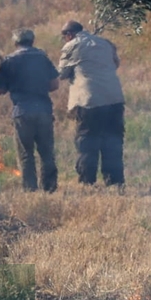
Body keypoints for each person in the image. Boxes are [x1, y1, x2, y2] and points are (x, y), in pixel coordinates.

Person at [57, 20, 125, 187]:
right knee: (113, 142)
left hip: (89, 101)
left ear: (69, 34)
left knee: (87, 142)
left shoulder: (71, 45)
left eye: (64, 36)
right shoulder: (105, 43)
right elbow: (115, 64)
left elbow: (62, 74)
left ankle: (87, 184)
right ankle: (115, 183)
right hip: (114, 99)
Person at [0, 28, 60, 192]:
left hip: (22, 112)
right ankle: (49, 189)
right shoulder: (43, 58)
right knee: (47, 152)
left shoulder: (9, 60)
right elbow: (54, 85)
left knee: (26, 154)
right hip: (44, 110)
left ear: (15, 43)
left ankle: (30, 190)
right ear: (32, 41)